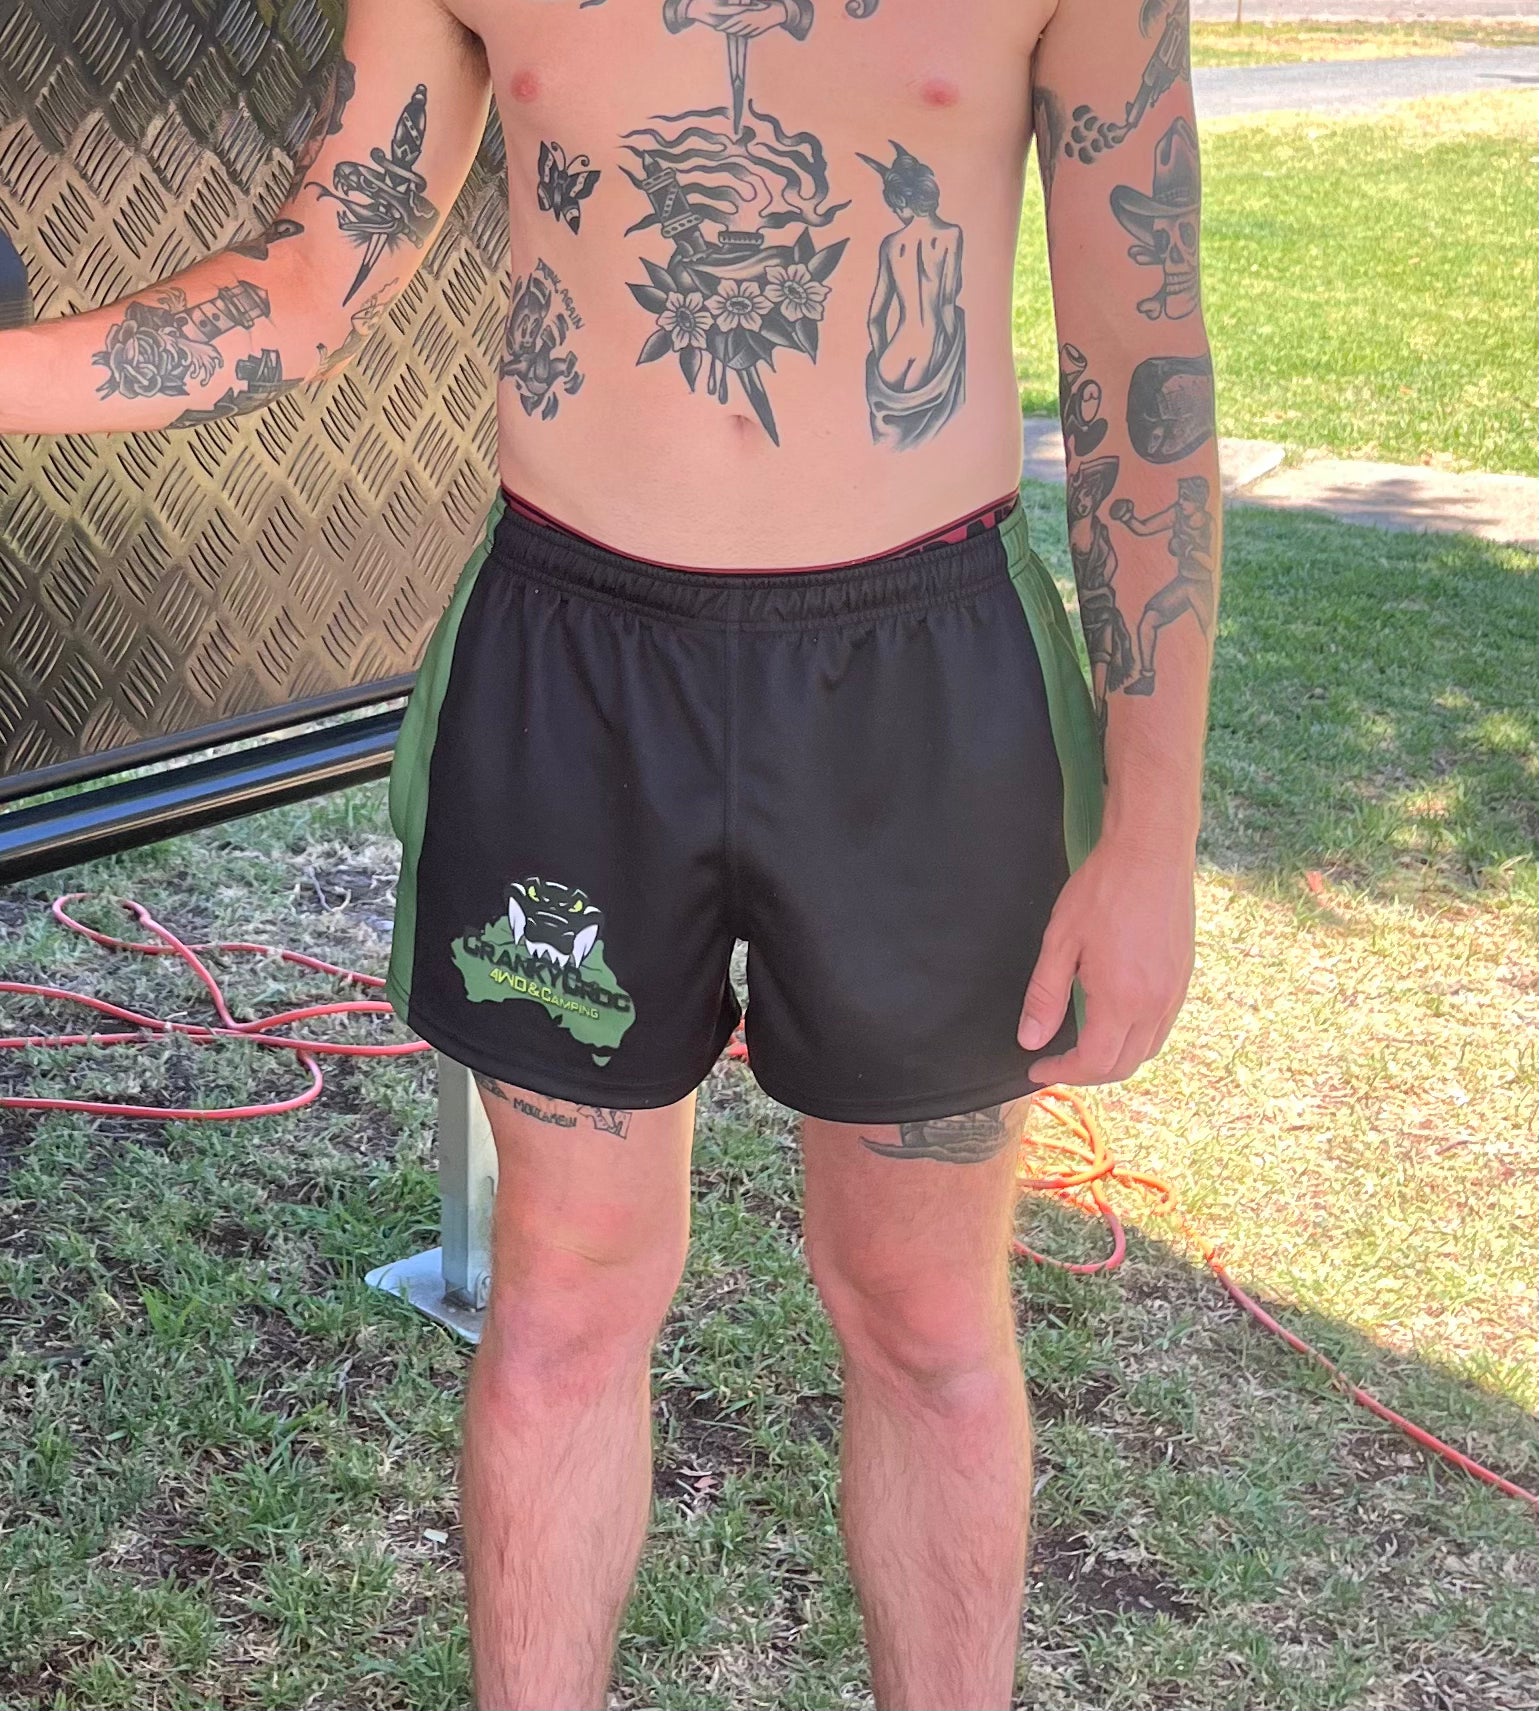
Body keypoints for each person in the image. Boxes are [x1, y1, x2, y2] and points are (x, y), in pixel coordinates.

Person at [0, 0, 1219, 1703]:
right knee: (563, 1302)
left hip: (925, 687)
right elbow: (307, 286)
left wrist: (1151, 836)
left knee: (930, 1317)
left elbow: (1139, 364)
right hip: (574, 671)